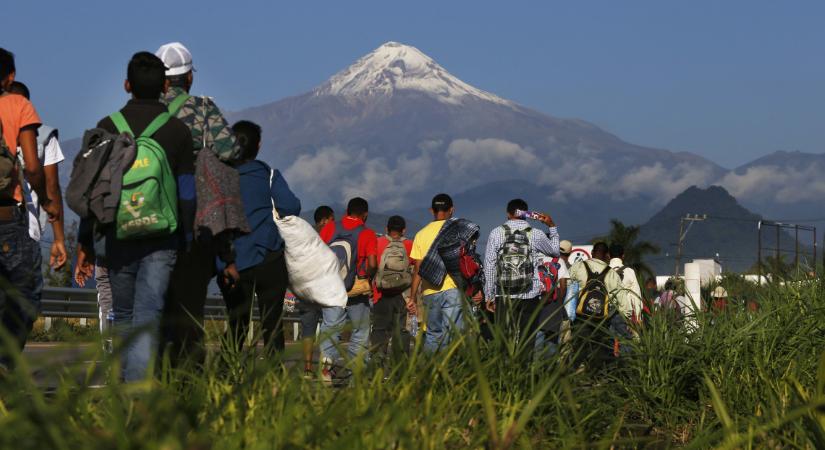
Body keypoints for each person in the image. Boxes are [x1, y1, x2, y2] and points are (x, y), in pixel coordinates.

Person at [79, 51, 195, 381]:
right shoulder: (177, 131)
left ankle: (123, 391)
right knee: (148, 316)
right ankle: (138, 396)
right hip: (162, 239)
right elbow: (187, 193)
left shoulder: (107, 127)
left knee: (125, 315)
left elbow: (92, 191)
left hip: (118, 235)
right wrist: (185, 239)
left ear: (126, 85)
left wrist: (85, 241)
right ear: (163, 87)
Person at [155, 42, 242, 365]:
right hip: (193, 221)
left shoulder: (145, 111)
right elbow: (230, 151)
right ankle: (185, 383)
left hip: (146, 219)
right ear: (188, 78)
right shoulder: (204, 109)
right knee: (189, 308)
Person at [217, 120, 300, 353]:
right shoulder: (269, 175)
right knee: (272, 323)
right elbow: (290, 207)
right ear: (259, 145)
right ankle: (273, 378)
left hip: (233, 260)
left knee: (237, 323)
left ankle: (226, 374)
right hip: (269, 257)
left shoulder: (221, 178)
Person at [0, 48, 59, 371]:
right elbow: (33, 167)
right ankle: (6, 364)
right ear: (10, 77)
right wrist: (46, 201)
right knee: (24, 296)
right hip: (8, 217)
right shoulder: (18, 105)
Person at [483, 199, 560, 362]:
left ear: (508, 213)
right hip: (529, 294)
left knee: (503, 340)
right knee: (527, 340)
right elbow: (555, 252)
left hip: (504, 296)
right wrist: (552, 226)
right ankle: (523, 377)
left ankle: (503, 379)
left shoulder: (496, 233)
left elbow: (489, 265)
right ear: (526, 214)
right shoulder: (536, 233)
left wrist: (489, 295)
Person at [6, 81, 67, 270]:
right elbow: (52, 187)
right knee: (25, 294)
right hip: (28, 229)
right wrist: (59, 238)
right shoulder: (45, 136)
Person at [318, 197, 377, 381]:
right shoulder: (367, 233)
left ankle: (326, 371)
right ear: (365, 214)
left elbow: (318, 254)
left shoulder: (330, 227)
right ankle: (356, 373)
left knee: (331, 329)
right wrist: (367, 276)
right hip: (356, 290)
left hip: (332, 288)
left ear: (347, 211)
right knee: (360, 330)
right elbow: (373, 262)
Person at [408, 193, 463, 353]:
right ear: (451, 210)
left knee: (432, 334)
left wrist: (412, 297)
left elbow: (418, 269)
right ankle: (452, 371)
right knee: (453, 333)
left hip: (429, 291)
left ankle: (432, 373)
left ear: (431, 210)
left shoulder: (421, 234)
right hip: (453, 289)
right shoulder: (458, 231)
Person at [568, 242, 623, 368]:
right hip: (601, 319)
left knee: (578, 346)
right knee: (599, 349)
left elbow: (567, 287)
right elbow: (619, 300)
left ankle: (576, 375)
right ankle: (595, 377)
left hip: (580, 315)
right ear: (607, 256)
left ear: (592, 252)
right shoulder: (612, 274)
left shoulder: (578, 266)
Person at [370, 215, 414, 369]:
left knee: (379, 331)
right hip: (402, 296)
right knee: (401, 332)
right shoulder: (409, 245)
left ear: (386, 229)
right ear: (404, 230)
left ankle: (377, 369)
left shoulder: (377, 243)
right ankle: (400, 370)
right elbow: (416, 269)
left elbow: (372, 265)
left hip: (380, 295)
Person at [298, 206, 334, 377]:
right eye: (332, 219)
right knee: (330, 327)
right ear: (324, 220)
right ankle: (326, 369)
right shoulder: (331, 237)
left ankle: (307, 369)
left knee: (308, 330)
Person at [534, 239, 571, 359]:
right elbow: (563, 286)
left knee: (536, 339)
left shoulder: (533, 258)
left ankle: (534, 371)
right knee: (552, 341)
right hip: (552, 305)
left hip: (535, 303)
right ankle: (549, 370)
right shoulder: (558, 261)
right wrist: (558, 306)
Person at [608, 243, 643, 328]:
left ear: (608, 256)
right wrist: (638, 318)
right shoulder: (629, 271)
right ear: (623, 256)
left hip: (608, 315)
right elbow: (636, 296)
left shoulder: (604, 271)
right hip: (626, 315)